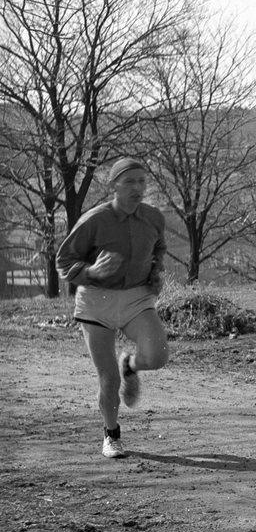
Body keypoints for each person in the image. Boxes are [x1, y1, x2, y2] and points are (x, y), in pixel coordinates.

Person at [56, 157, 169, 459]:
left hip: (136, 297)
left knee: (158, 356)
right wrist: (92, 272)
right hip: (96, 299)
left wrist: (155, 270)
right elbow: (64, 261)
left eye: (142, 181)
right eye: (129, 181)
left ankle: (131, 364)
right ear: (113, 186)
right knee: (108, 378)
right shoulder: (94, 220)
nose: (137, 188)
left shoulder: (153, 217)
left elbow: (158, 247)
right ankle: (111, 435)